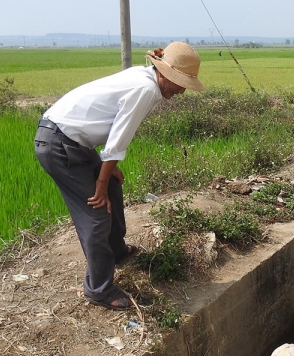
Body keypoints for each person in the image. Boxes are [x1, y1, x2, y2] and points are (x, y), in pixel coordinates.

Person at [34, 42, 204, 311]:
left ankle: (115, 250)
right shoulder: (145, 88)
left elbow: (110, 125)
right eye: (180, 82)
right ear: (165, 74)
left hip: (74, 140)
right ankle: (98, 289)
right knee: (97, 213)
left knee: (113, 183)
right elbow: (119, 138)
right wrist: (100, 183)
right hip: (60, 144)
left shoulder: (146, 79)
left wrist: (108, 172)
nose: (182, 90)